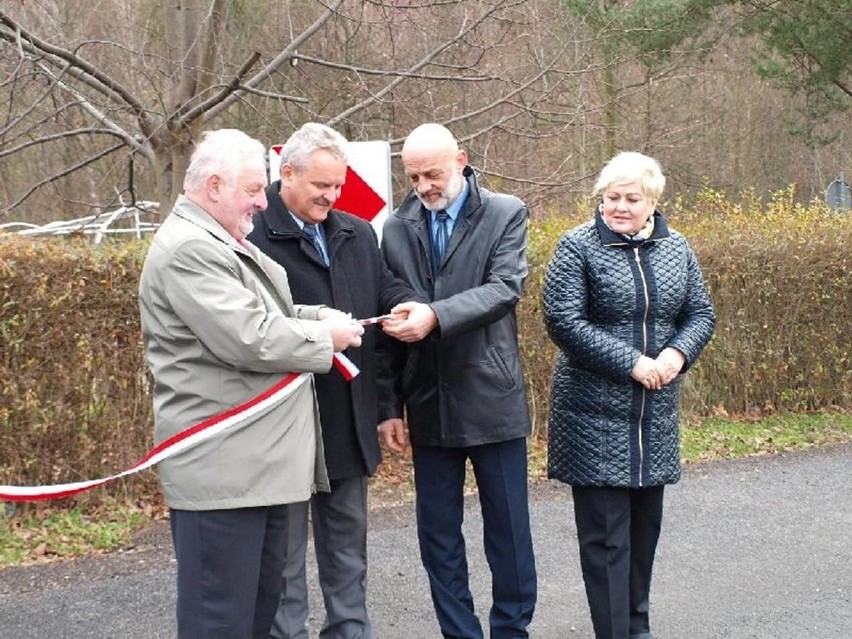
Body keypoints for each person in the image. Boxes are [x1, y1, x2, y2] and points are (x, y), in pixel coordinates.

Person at [138, 128, 364, 639]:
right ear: (214, 186)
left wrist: (314, 315)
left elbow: (265, 313)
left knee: (257, 619)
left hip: (253, 472)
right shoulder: (190, 250)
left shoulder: (218, 241)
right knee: (221, 621)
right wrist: (321, 337)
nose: (263, 204)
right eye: (253, 191)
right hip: (223, 476)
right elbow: (250, 337)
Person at [247, 122, 416, 639]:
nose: (332, 195)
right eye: (321, 185)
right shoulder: (251, 237)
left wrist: (408, 307)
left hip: (347, 418)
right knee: (284, 557)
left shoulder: (357, 231)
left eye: (338, 185)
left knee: (348, 550)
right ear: (287, 173)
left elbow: (382, 306)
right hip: (284, 424)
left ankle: (350, 633)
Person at [542, 151, 716, 639]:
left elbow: (700, 313)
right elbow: (563, 322)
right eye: (611, 197)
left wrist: (676, 355)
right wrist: (633, 363)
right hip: (592, 417)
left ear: (653, 202)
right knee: (605, 544)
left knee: (644, 538)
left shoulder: (677, 248)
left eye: (631, 198)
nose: (619, 207)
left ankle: (637, 629)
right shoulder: (576, 247)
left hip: (653, 417)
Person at [377, 123, 537, 639]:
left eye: (433, 173)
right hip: (427, 402)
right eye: (414, 175)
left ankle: (511, 631)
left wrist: (434, 316)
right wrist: (388, 405)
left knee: (509, 533)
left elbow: (503, 289)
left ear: (462, 160)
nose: (423, 185)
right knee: (438, 538)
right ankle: (459, 633)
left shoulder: (505, 212)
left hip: (492, 396)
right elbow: (387, 312)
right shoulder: (396, 226)